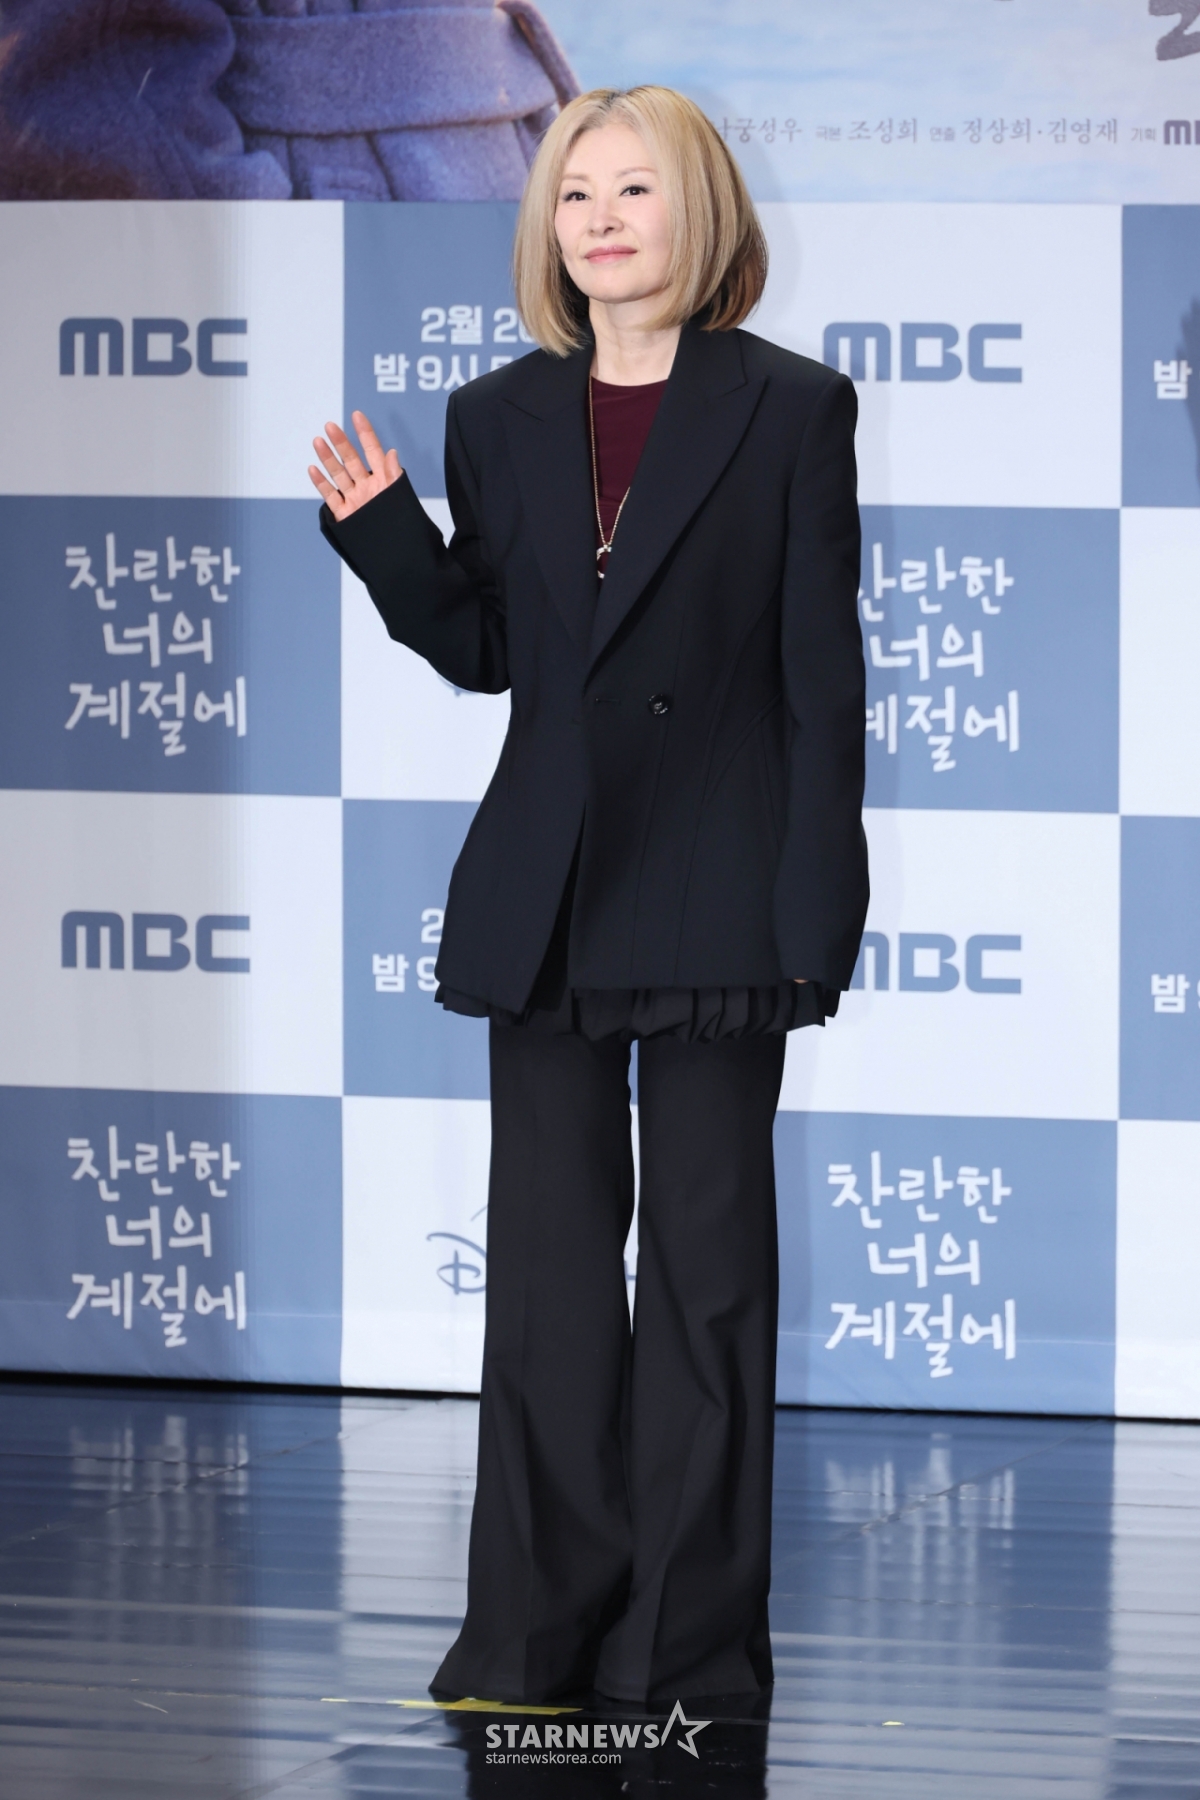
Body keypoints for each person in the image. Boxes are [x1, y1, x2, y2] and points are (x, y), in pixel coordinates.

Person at [310, 84, 867, 1707]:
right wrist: (386, 539)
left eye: (633, 189)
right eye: (573, 194)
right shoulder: (495, 416)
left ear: (702, 211)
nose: (600, 219)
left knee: (707, 1286)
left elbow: (822, 686)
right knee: (549, 1286)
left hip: (720, 891)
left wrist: (816, 911)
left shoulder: (792, 408)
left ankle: (685, 1657)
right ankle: (531, 1640)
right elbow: (499, 650)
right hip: (546, 892)